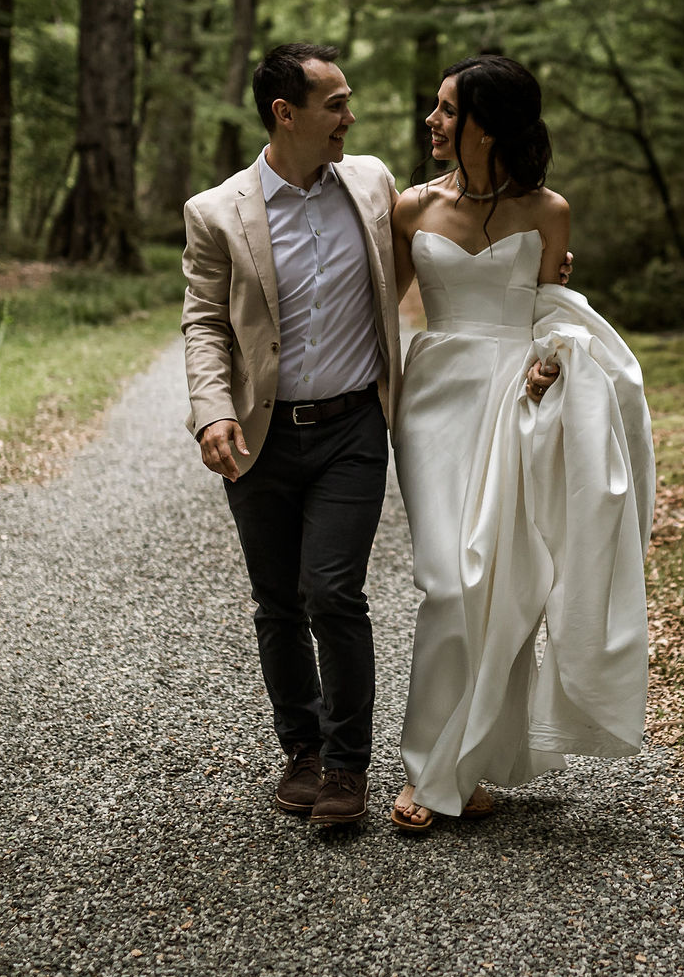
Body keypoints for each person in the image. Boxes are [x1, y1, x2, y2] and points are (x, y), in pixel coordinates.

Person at [179, 43, 558, 828]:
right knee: (277, 601)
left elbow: (486, 264)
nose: (352, 117)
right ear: (287, 113)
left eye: (350, 101)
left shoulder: (374, 184)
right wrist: (213, 410)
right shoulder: (216, 211)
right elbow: (204, 323)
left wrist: (543, 317)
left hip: (357, 422)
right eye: (337, 104)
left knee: (334, 591)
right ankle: (303, 750)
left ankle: (350, 766)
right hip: (262, 432)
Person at [388, 54, 653, 833]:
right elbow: (374, 308)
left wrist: (548, 362)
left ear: (487, 125)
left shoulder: (549, 210)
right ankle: (436, 764)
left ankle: (452, 770)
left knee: (501, 577)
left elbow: (552, 311)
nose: (431, 121)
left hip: (515, 397)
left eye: (445, 109)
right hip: (433, 398)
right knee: (448, 577)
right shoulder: (409, 208)